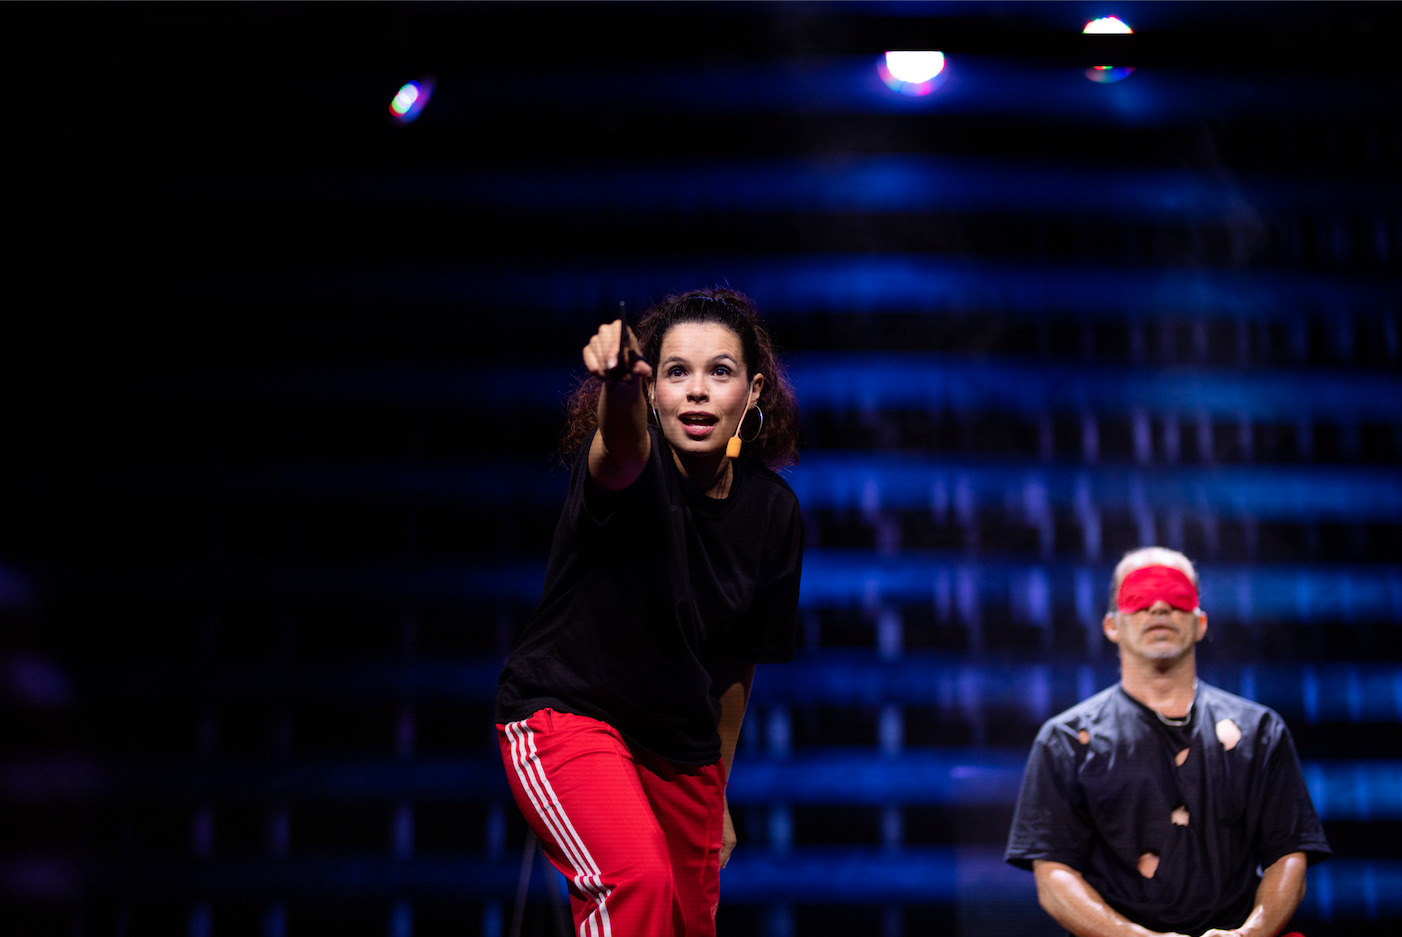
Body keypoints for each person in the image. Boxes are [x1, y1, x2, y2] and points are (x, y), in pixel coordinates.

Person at [495, 287, 804, 937]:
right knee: (636, 882)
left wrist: (717, 790)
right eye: (675, 372)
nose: (696, 390)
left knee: (688, 921)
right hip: (569, 715)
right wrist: (619, 385)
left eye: (719, 372)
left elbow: (735, 666)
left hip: (681, 749)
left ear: (751, 394)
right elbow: (622, 445)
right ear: (654, 391)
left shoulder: (774, 512)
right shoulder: (630, 467)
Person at [1005, 547, 1330, 937]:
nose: (1159, 606)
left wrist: (1250, 935)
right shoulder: (1066, 741)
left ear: (1201, 622)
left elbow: (1288, 853)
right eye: (1139, 596)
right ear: (1112, 625)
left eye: (1176, 595)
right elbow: (1054, 873)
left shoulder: (1259, 731)